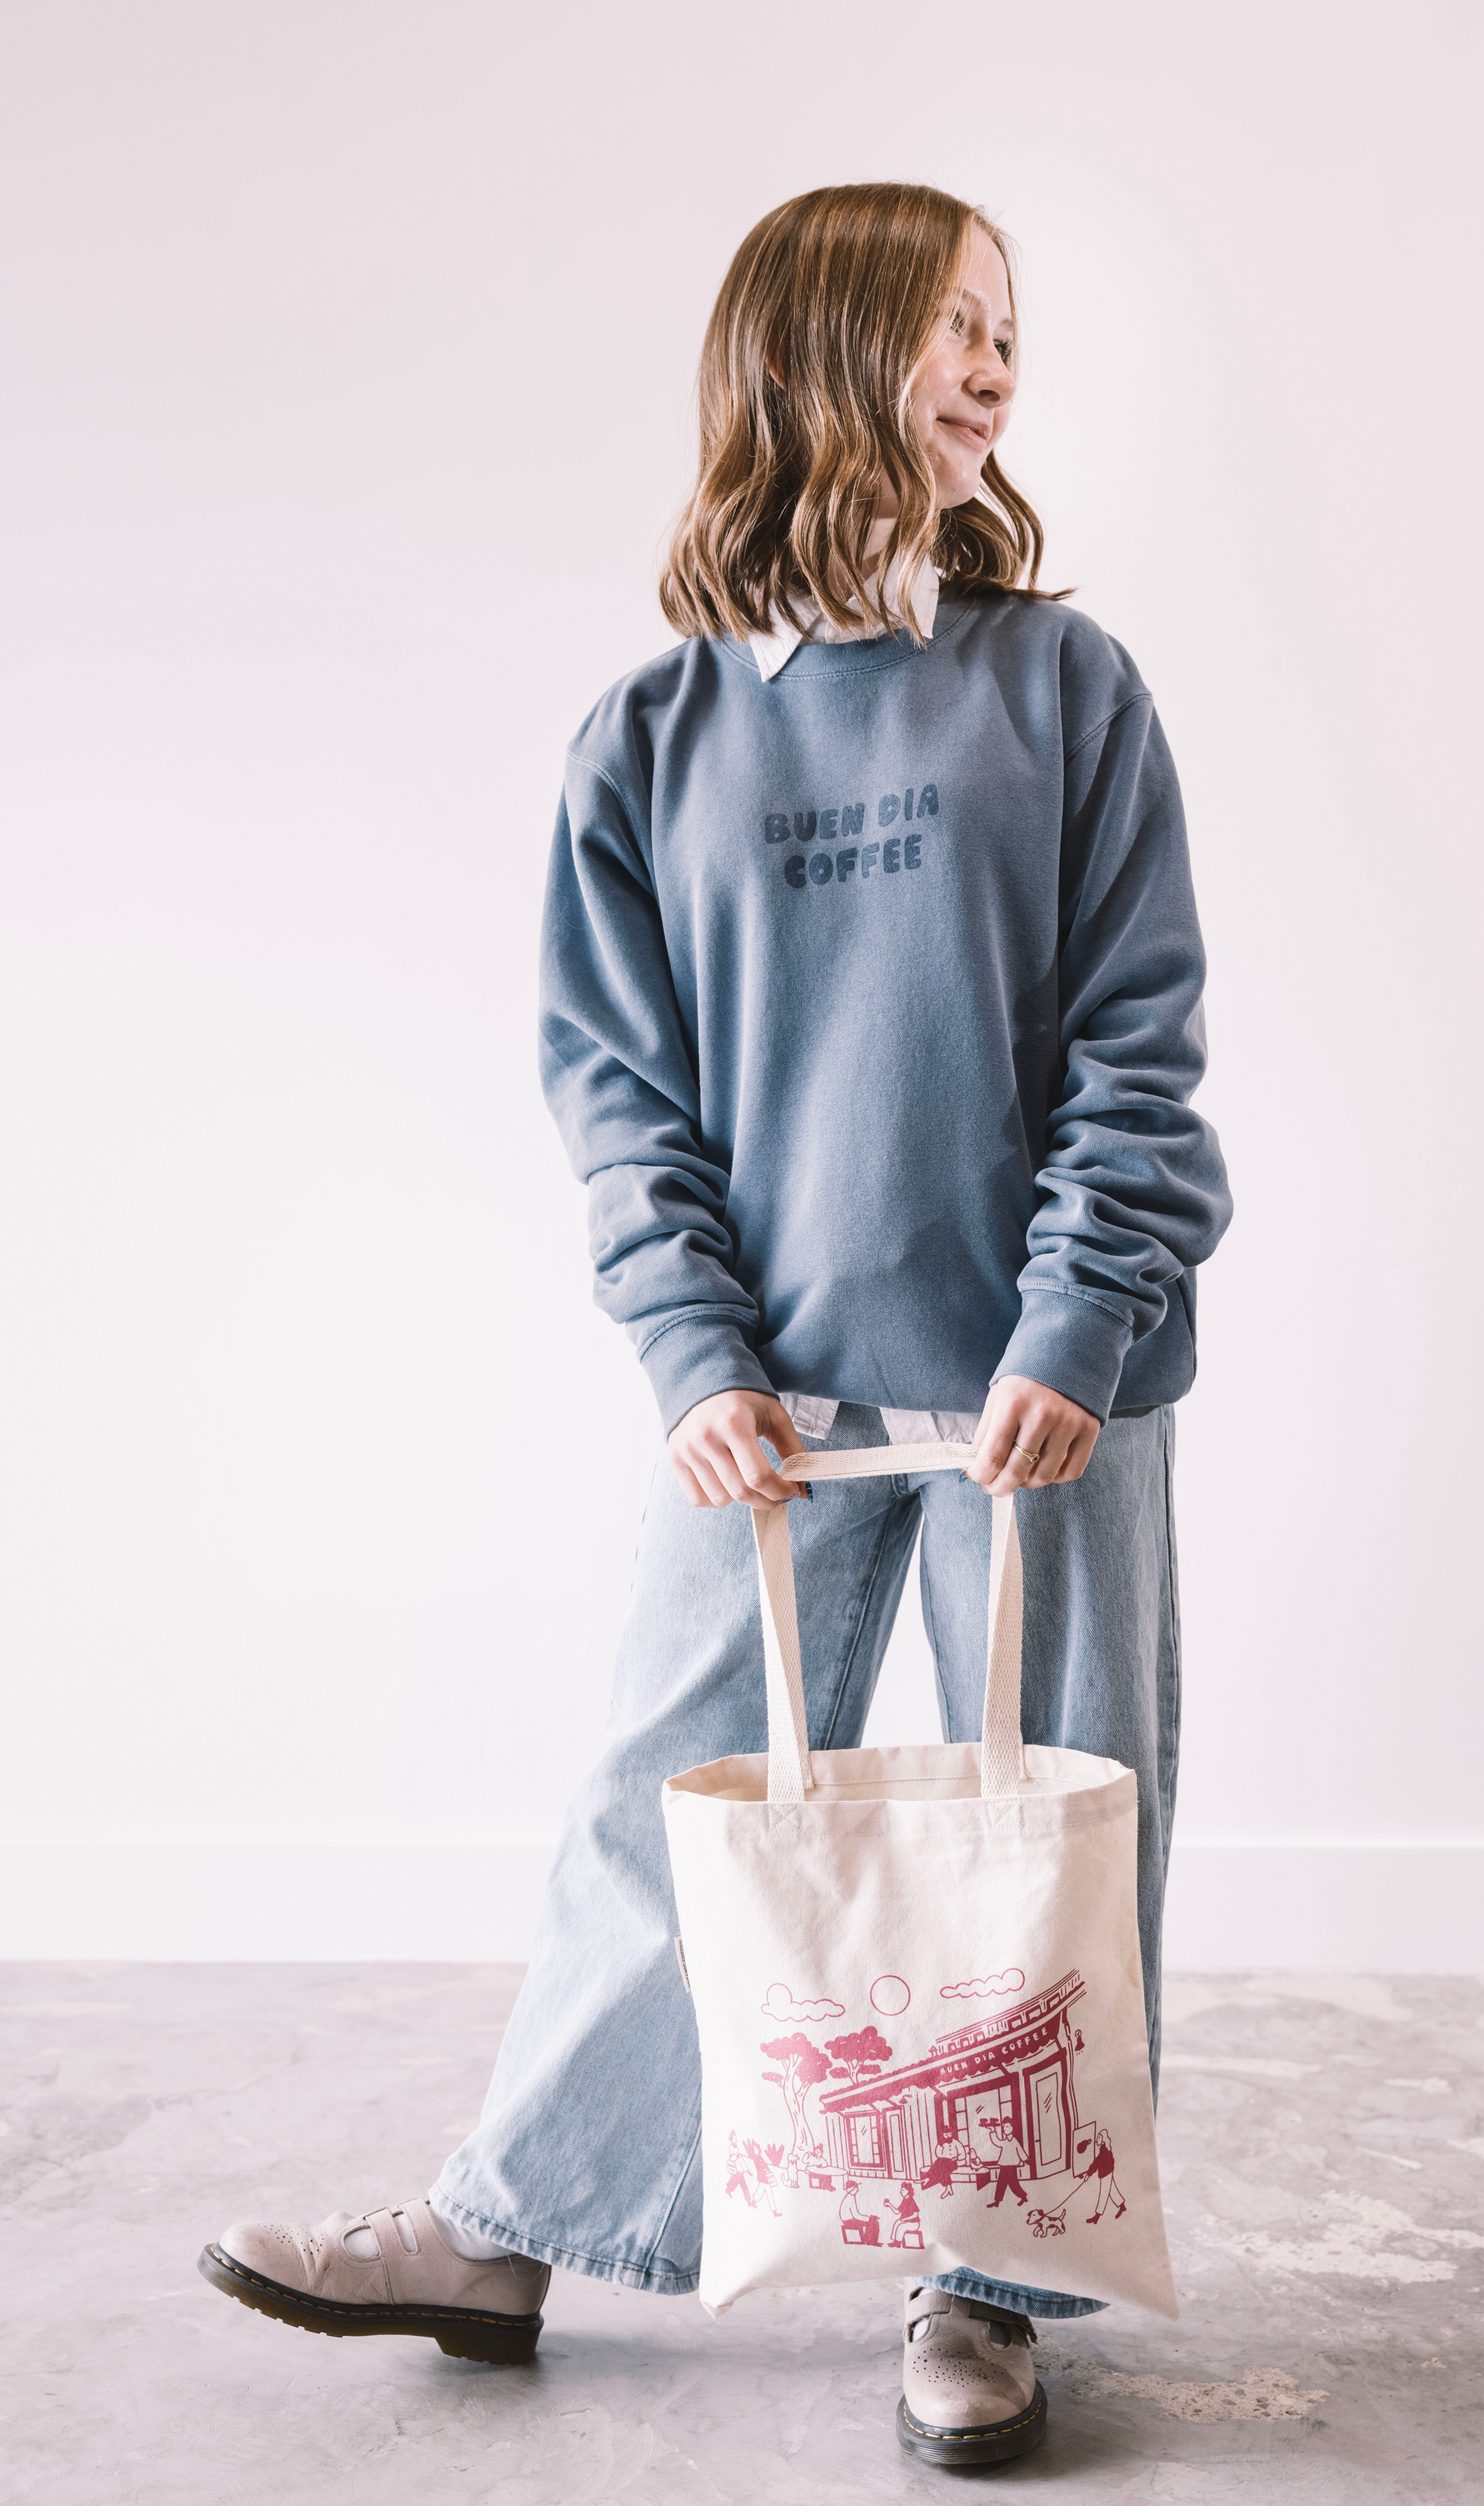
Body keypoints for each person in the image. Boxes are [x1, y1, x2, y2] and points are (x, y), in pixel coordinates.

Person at [197, 180, 1232, 2473]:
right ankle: (512, 2218)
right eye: (954, 326)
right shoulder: (652, 735)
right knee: (662, 1801)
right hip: (770, 1398)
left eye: (1010, 333)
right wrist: (694, 1356)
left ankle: (986, 2283)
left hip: (1044, 1396)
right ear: (817, 345)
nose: (993, 367)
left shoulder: (1064, 685)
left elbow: (1139, 1044)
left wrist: (1076, 1323)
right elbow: (620, 1095)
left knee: (1045, 1826)